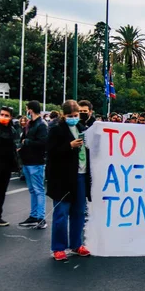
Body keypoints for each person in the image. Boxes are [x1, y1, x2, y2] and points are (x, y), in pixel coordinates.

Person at [46, 100, 92, 261]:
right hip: (63, 179)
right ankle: (58, 247)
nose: (73, 118)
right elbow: (51, 152)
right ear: (63, 115)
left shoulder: (82, 128)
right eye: (70, 116)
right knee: (61, 213)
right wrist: (69, 145)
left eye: (76, 115)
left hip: (81, 175)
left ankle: (76, 244)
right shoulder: (56, 129)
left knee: (79, 212)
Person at [18, 101, 49, 229]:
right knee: (33, 190)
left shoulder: (41, 125)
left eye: (27, 109)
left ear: (30, 110)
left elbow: (43, 143)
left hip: (35, 161)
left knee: (38, 190)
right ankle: (34, 215)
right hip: (28, 161)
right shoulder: (32, 124)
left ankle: (40, 218)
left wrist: (27, 142)